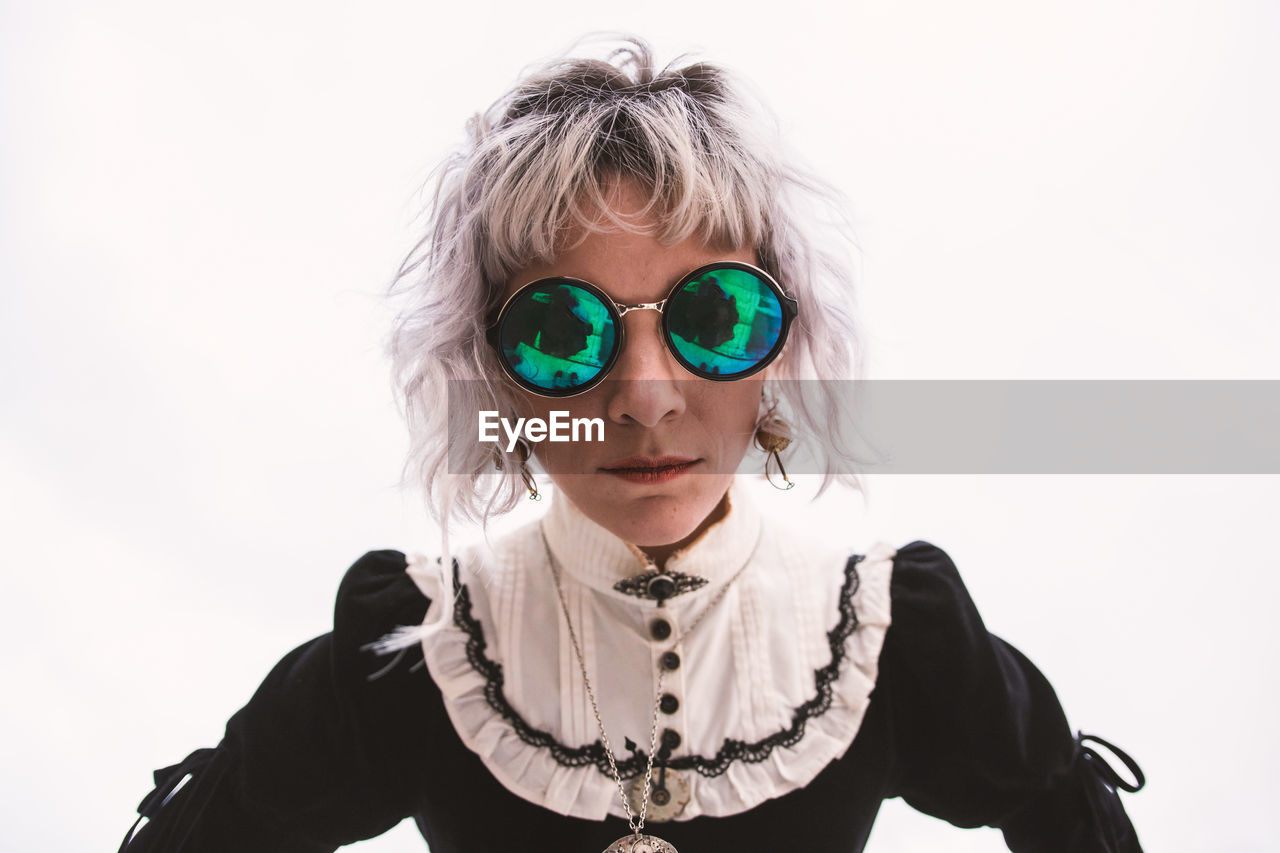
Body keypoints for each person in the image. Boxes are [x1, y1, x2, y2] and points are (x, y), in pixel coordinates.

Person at [119, 38, 1144, 853]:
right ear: (492, 375)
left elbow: (1063, 810)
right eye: (561, 331)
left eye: (715, 317)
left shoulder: (890, 640)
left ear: (780, 350)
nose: (648, 398)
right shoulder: (414, 656)